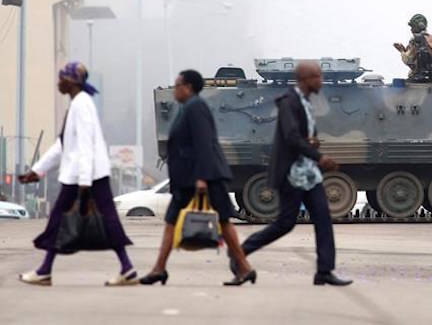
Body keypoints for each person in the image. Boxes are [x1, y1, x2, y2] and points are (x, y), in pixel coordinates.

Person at [232, 61, 352, 286]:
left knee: (323, 218)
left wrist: (312, 143)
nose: (321, 81)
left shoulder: (304, 102)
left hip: (307, 172)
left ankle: (324, 271)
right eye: (317, 76)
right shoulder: (290, 102)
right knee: (285, 223)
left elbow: (301, 135)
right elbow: (291, 136)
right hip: (292, 172)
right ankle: (238, 254)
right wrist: (320, 157)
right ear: (306, 79)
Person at [18, 62, 137, 286]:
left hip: (84, 176)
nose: (58, 82)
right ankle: (127, 268)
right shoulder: (78, 104)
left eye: (61, 78)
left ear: (71, 81)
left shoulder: (82, 104)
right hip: (88, 174)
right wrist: (37, 171)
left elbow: (85, 144)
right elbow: (63, 145)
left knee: (60, 218)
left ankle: (45, 270)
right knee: (107, 218)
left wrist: (83, 183)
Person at [139, 69, 255, 286]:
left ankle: (244, 267)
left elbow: (204, 142)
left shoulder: (196, 108)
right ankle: (159, 268)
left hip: (203, 178)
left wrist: (202, 177)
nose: (175, 89)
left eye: (178, 85)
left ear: (188, 87)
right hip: (190, 178)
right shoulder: (187, 108)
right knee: (173, 221)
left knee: (222, 221)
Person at [393, 13, 432, 79]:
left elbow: (408, 60)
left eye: (413, 27)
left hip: (419, 76)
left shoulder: (417, 40)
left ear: (419, 26)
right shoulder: (431, 38)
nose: (411, 29)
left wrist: (402, 51)